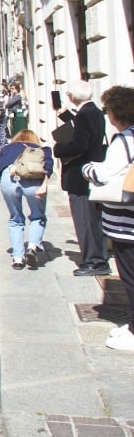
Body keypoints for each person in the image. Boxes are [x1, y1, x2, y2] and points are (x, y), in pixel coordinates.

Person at [83, 86, 134, 351]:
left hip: (127, 222)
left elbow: (104, 175)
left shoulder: (124, 140)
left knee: (130, 275)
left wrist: (88, 168)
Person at [54, 80, 111, 276]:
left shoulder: (86, 115)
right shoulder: (93, 112)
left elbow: (80, 144)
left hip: (80, 175)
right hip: (90, 172)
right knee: (93, 219)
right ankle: (97, 256)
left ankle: (94, 261)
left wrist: (58, 149)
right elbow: (84, 130)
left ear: (72, 96)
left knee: (85, 219)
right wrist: (66, 116)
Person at [0, 128, 53, 270]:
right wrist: (45, 185)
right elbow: (48, 168)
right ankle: (32, 246)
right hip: (34, 179)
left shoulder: (7, 148)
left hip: (9, 177)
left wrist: (4, 183)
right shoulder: (43, 149)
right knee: (38, 216)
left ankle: (17, 258)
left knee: (15, 218)